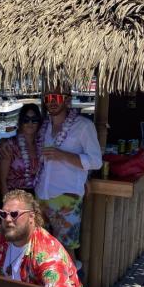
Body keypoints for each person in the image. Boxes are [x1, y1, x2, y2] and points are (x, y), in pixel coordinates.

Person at [34, 87, 102, 260]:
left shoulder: (84, 126)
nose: (52, 101)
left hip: (67, 197)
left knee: (65, 250)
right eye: (48, 97)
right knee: (41, 247)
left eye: (56, 97)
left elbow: (95, 161)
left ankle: (69, 286)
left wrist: (62, 155)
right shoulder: (44, 126)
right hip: (41, 195)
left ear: (67, 100)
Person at [0, 104, 44, 196]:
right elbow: (2, 180)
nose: (30, 123)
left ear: (39, 122)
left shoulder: (42, 144)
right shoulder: (10, 145)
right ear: (20, 122)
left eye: (34, 120)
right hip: (15, 196)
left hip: (38, 197)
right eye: (26, 120)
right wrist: (7, 202)